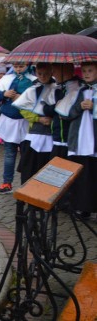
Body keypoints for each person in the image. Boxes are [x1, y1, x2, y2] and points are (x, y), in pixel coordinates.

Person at [0, 62, 35, 195]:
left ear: (28, 65)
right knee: (9, 154)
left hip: (27, 121)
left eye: (21, 66)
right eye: (16, 66)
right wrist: (4, 94)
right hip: (9, 120)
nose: (18, 69)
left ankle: (27, 185)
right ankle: (6, 183)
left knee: (27, 156)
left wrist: (22, 98)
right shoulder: (7, 79)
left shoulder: (34, 80)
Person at [63, 61, 96, 218]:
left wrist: (94, 107)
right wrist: (79, 107)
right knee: (82, 176)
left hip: (94, 140)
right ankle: (82, 207)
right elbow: (67, 113)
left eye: (90, 70)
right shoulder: (79, 91)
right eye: (84, 71)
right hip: (80, 141)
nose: (87, 73)